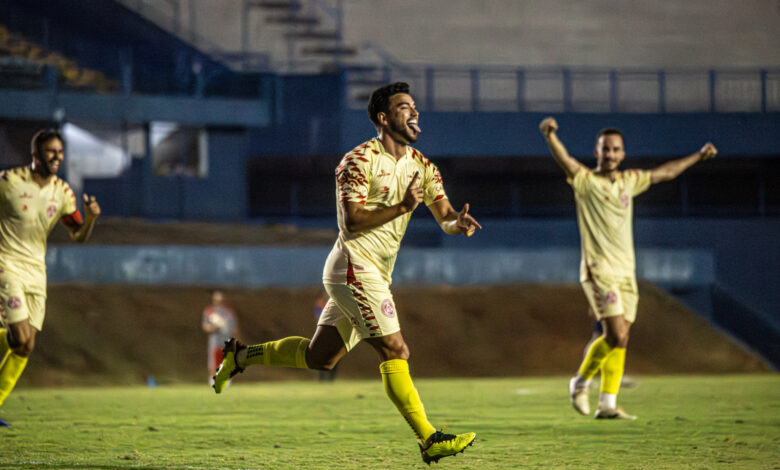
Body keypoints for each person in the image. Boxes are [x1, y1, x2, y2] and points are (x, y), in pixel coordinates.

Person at [213, 82, 482, 464]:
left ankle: (240, 357)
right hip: (354, 268)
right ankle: (430, 438)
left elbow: (446, 218)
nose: (414, 112)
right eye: (404, 107)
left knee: (321, 358)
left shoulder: (423, 167)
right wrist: (403, 206)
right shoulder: (357, 161)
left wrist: (460, 224)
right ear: (384, 119)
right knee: (395, 349)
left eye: (414, 106)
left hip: (372, 273)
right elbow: (351, 222)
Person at [539, 117, 716, 420]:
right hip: (599, 269)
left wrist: (698, 156)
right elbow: (565, 160)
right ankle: (579, 383)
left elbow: (666, 173)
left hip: (626, 272)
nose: (610, 154)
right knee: (615, 334)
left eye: (615, 150)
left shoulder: (629, 182)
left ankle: (607, 404)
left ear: (622, 154)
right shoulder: (585, 181)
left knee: (622, 338)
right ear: (597, 153)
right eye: (605, 149)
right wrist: (550, 136)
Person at [0, 128, 100, 426]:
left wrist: (91, 217)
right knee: (18, 334)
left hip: (35, 273)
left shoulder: (64, 193)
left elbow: (77, 236)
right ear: (35, 155)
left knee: (26, 345)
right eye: (50, 151)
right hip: (6, 265)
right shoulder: (9, 182)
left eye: (60, 151)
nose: (57, 156)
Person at [201, 289, 238, 386]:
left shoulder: (229, 312)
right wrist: (215, 326)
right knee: (213, 361)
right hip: (214, 340)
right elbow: (206, 327)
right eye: (217, 297)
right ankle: (212, 380)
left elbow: (234, 327)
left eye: (221, 297)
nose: (219, 299)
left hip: (226, 340)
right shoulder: (209, 311)